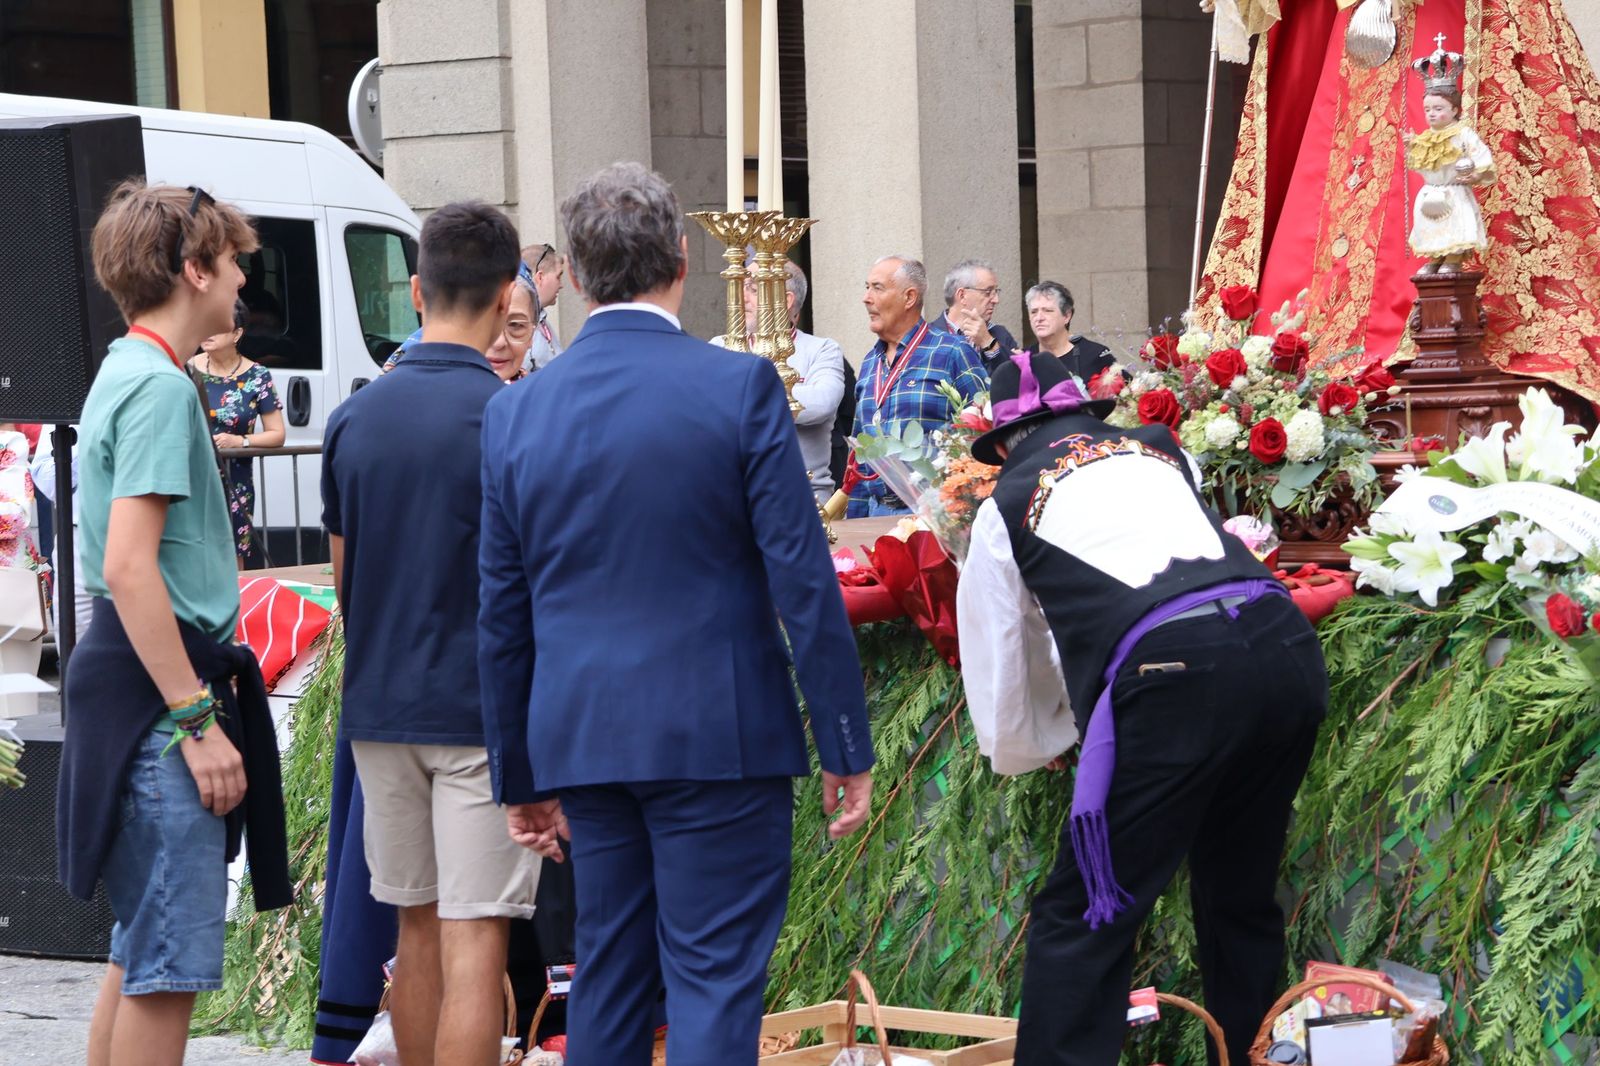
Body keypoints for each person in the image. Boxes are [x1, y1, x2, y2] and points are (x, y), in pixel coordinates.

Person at [478, 162, 875, 1065]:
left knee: (611, 974)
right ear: (684, 261)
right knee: (712, 979)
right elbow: (802, 581)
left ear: (573, 276)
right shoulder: (736, 388)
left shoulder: (517, 412)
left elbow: (502, 613)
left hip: (585, 734)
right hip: (718, 731)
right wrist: (843, 741)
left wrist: (519, 770)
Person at [956, 350, 1327, 1066]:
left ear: (1003, 444)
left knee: (1083, 917)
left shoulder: (1007, 501)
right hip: (1283, 646)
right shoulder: (1162, 454)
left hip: (1177, 677)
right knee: (1239, 897)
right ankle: (1249, 1055)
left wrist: (1035, 743)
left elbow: (1007, 655)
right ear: (1087, 416)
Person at [58, 180, 290, 1066]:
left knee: (140, 951)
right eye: (232, 264)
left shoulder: (133, 368)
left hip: (131, 686)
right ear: (194, 269)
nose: (240, 283)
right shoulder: (158, 386)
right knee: (166, 965)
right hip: (158, 703)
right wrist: (196, 719)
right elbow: (128, 566)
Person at [322, 201, 541, 1066]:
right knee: (475, 936)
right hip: (478, 711)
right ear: (503, 299)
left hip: (380, 706)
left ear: (417, 291)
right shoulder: (513, 415)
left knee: (413, 927)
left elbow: (348, 586)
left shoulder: (354, 417)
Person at [848, 254, 988, 518]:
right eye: (866, 287)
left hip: (936, 515)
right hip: (876, 513)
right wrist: (854, 523)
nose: (866, 298)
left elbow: (987, 431)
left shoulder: (952, 352)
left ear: (909, 298)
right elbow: (859, 455)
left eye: (877, 288)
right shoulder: (870, 363)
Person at [715, 259, 846, 504]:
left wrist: (740, 396)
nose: (743, 297)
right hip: (732, 498)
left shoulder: (822, 350)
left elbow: (821, 403)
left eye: (753, 289)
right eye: (742, 287)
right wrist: (783, 395)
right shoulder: (721, 346)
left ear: (786, 300)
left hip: (806, 499)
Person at [188, 298, 285, 567]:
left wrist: (239, 441)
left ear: (237, 333)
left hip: (236, 481)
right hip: (192, 476)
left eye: (215, 325)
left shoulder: (258, 375)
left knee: (233, 561)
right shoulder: (188, 368)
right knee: (191, 557)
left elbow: (277, 434)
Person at [1404, 46, 1495, 275]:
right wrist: (1412, 147)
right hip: (1430, 194)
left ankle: (1453, 259)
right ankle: (1435, 258)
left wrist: (1475, 175)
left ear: (1454, 110)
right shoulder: (1425, 138)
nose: (1432, 114)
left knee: (1455, 225)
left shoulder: (1463, 135)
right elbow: (1420, 165)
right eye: (1428, 109)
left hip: (1454, 192)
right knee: (1433, 228)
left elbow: (1481, 157)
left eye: (1438, 108)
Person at [934, 258, 1020, 372]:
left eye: (996, 292)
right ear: (962, 295)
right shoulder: (928, 337)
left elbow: (1018, 382)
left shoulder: (1000, 334)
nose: (996, 300)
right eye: (988, 292)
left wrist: (988, 343)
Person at [1024, 282, 1116, 384]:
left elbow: (1127, 395)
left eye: (1048, 311)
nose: (1039, 318)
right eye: (1033, 312)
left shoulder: (1095, 355)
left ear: (1067, 316)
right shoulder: (1023, 359)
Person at [522, 242, 566, 371]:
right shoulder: (517, 326)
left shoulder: (541, 320)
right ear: (540, 277)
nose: (561, 285)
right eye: (558, 276)